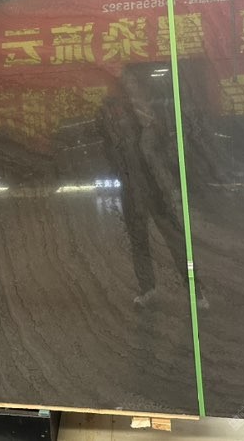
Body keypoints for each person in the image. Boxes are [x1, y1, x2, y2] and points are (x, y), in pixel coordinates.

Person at [100, 66, 208, 308]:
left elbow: (168, 148)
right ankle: (147, 288)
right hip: (131, 188)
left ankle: (196, 291)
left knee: (176, 241)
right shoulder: (112, 113)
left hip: (155, 189)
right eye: (124, 84)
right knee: (138, 240)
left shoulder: (155, 112)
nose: (129, 89)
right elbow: (109, 149)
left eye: (132, 83)